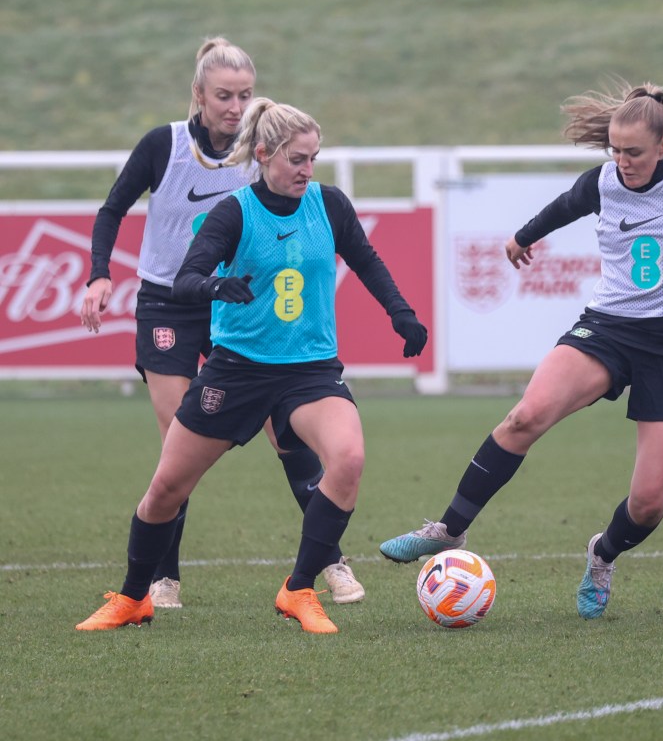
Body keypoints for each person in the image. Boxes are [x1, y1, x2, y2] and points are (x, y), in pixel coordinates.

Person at [379, 81, 663, 619]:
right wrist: (523, 237)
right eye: (615, 150)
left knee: (649, 505)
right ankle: (449, 530)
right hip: (608, 328)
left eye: (633, 152)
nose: (622, 162)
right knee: (524, 417)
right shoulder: (604, 181)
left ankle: (602, 554)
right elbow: (567, 205)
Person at [76, 98, 428, 634]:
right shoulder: (234, 211)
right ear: (264, 154)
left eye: (313, 159)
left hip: (310, 372)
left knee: (348, 459)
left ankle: (299, 589)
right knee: (166, 490)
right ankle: (133, 598)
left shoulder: (329, 204)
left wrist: (400, 313)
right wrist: (216, 285)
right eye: (297, 159)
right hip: (236, 372)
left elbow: (366, 260)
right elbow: (186, 279)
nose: (307, 170)